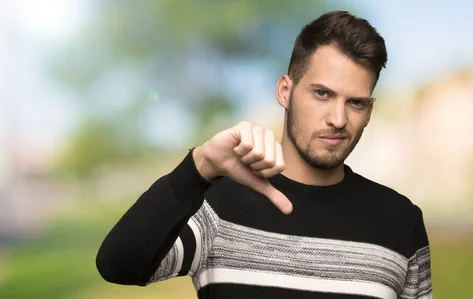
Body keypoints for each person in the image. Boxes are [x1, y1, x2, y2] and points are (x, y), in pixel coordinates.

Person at [96, 10, 433, 299]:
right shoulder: (218, 204)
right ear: (285, 91)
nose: (338, 119)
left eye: (355, 102)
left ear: (369, 111)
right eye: (321, 94)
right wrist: (200, 165)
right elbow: (119, 265)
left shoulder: (401, 221)